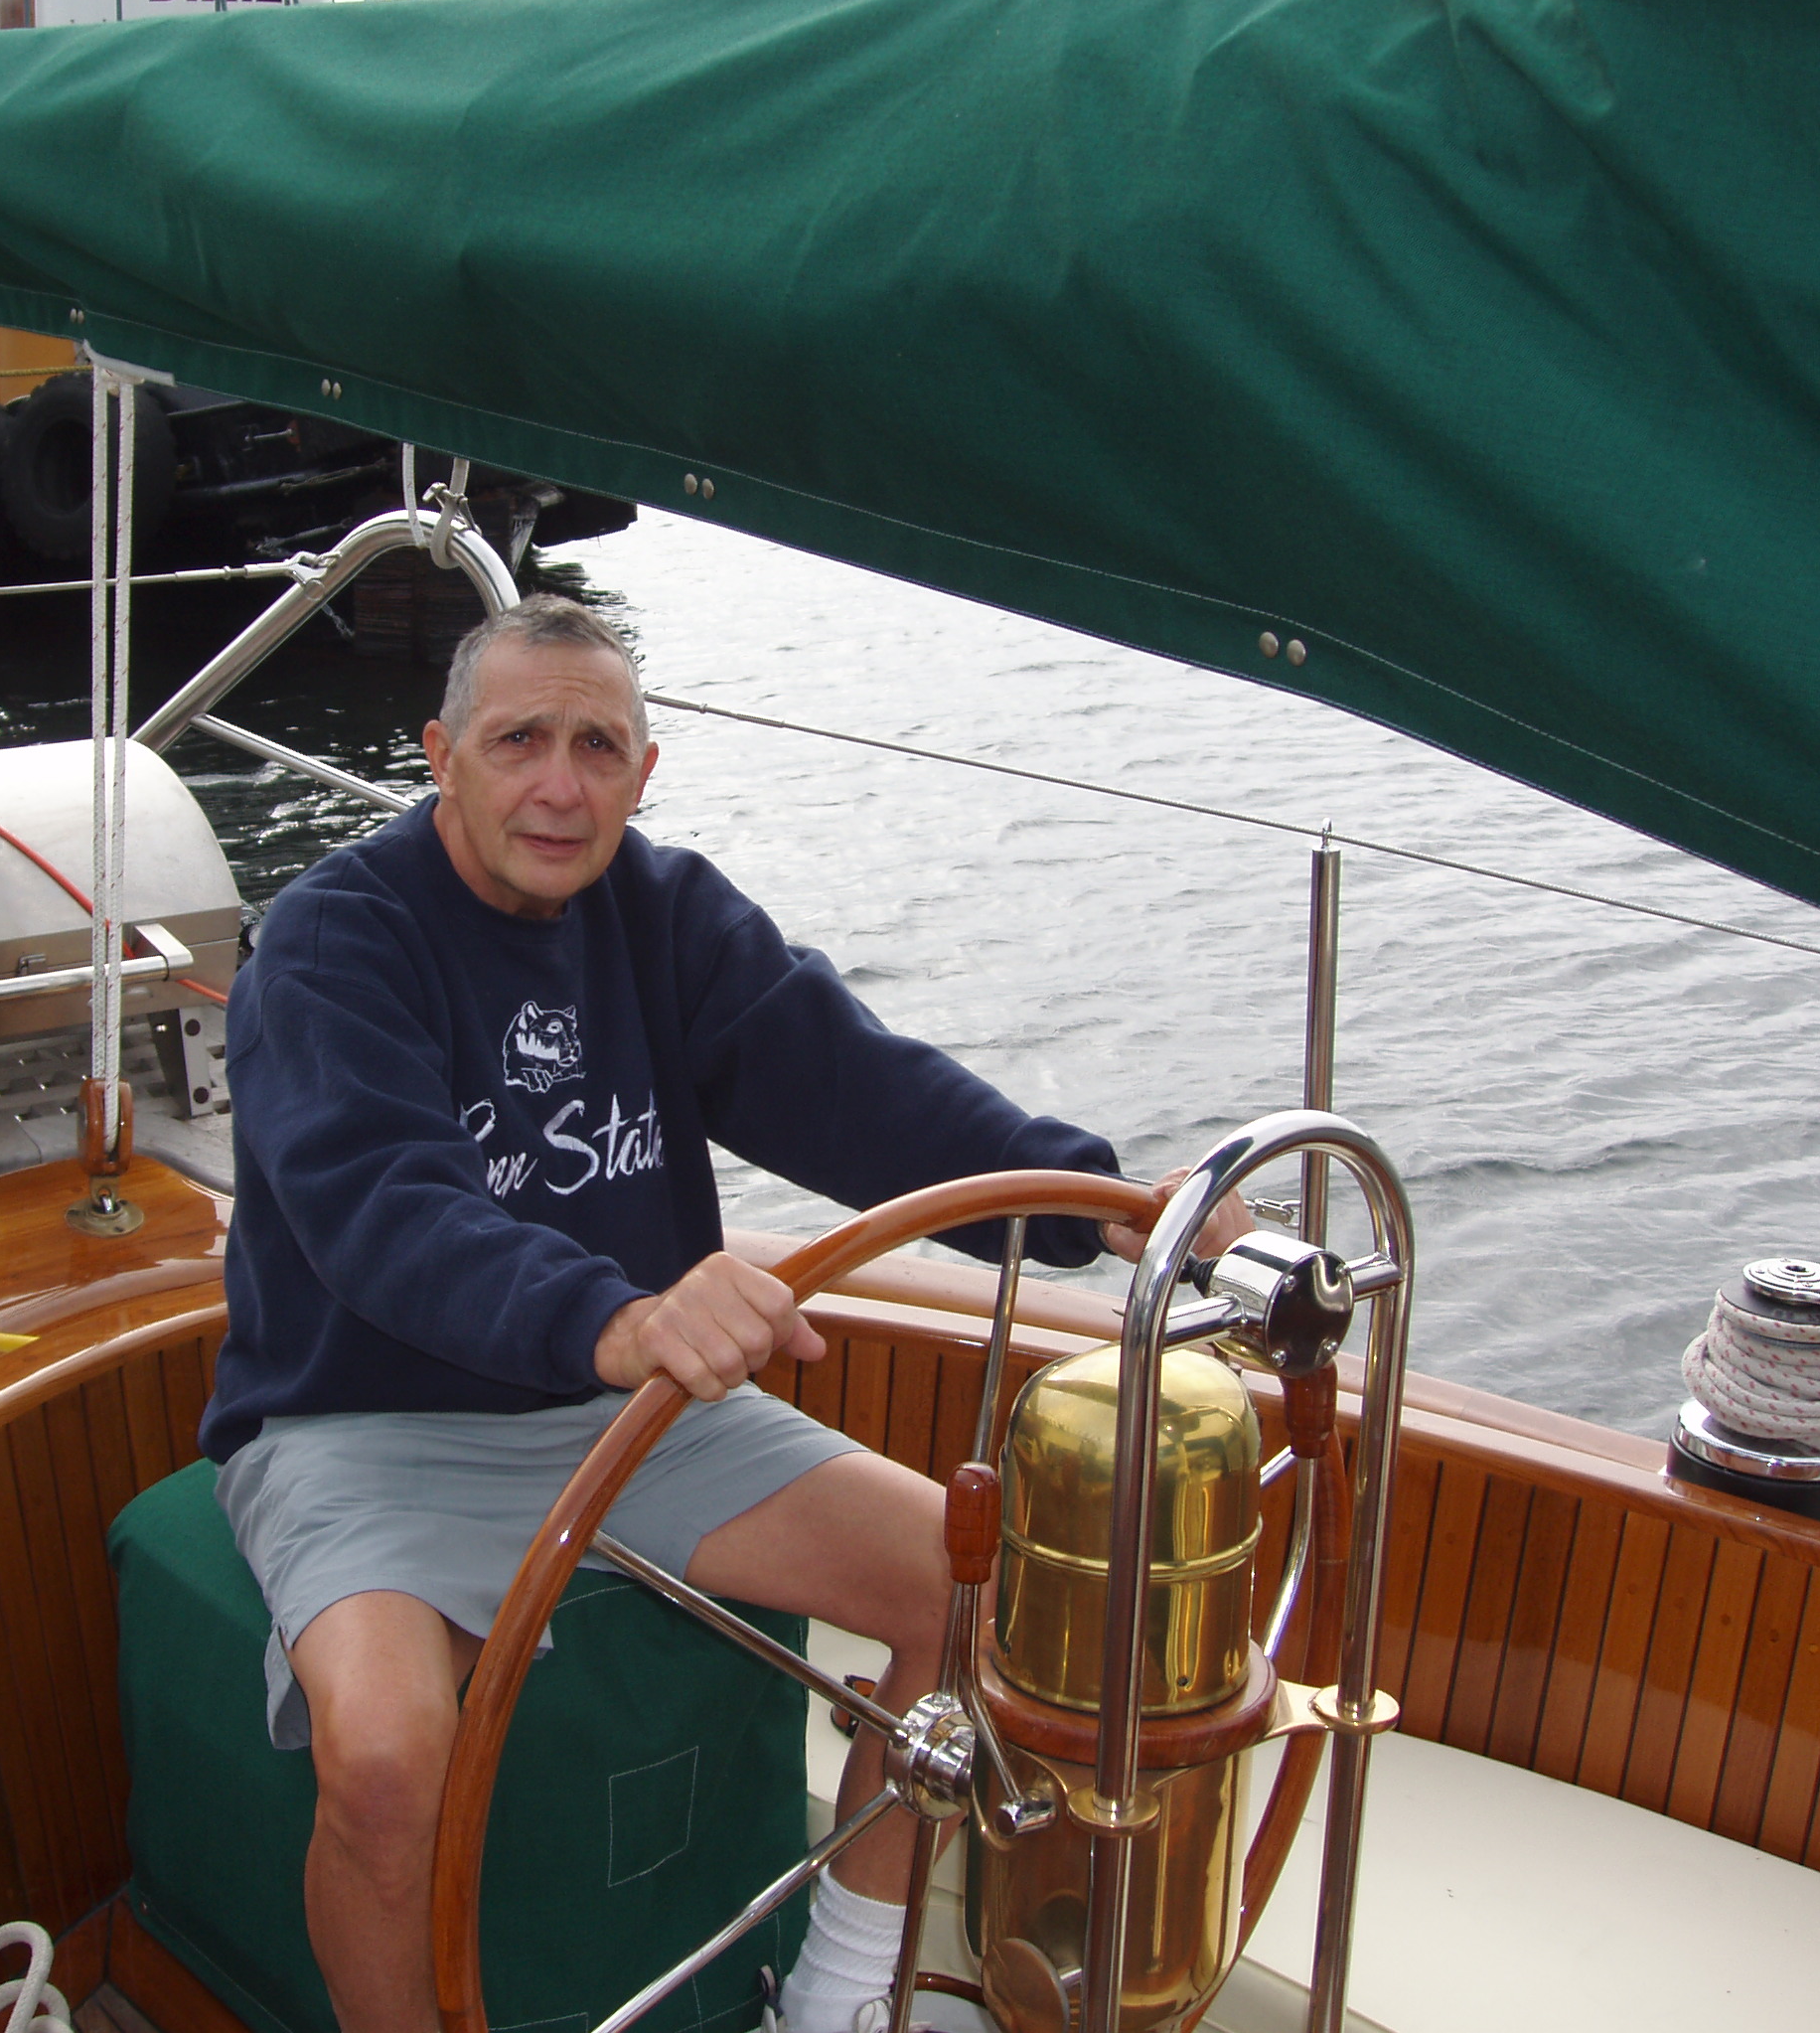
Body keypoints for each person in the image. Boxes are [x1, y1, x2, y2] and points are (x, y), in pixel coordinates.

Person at [199, 596, 1241, 2033]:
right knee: (382, 1763)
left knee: (981, 1600)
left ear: (644, 771)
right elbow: (383, 1209)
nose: (559, 786)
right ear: (440, 756)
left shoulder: (667, 916)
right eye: (518, 742)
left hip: (630, 1407)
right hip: (366, 1422)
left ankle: (841, 1991)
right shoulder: (333, 942)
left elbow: (861, 1091)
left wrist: (1103, 1204)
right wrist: (617, 1317)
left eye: (597, 747)